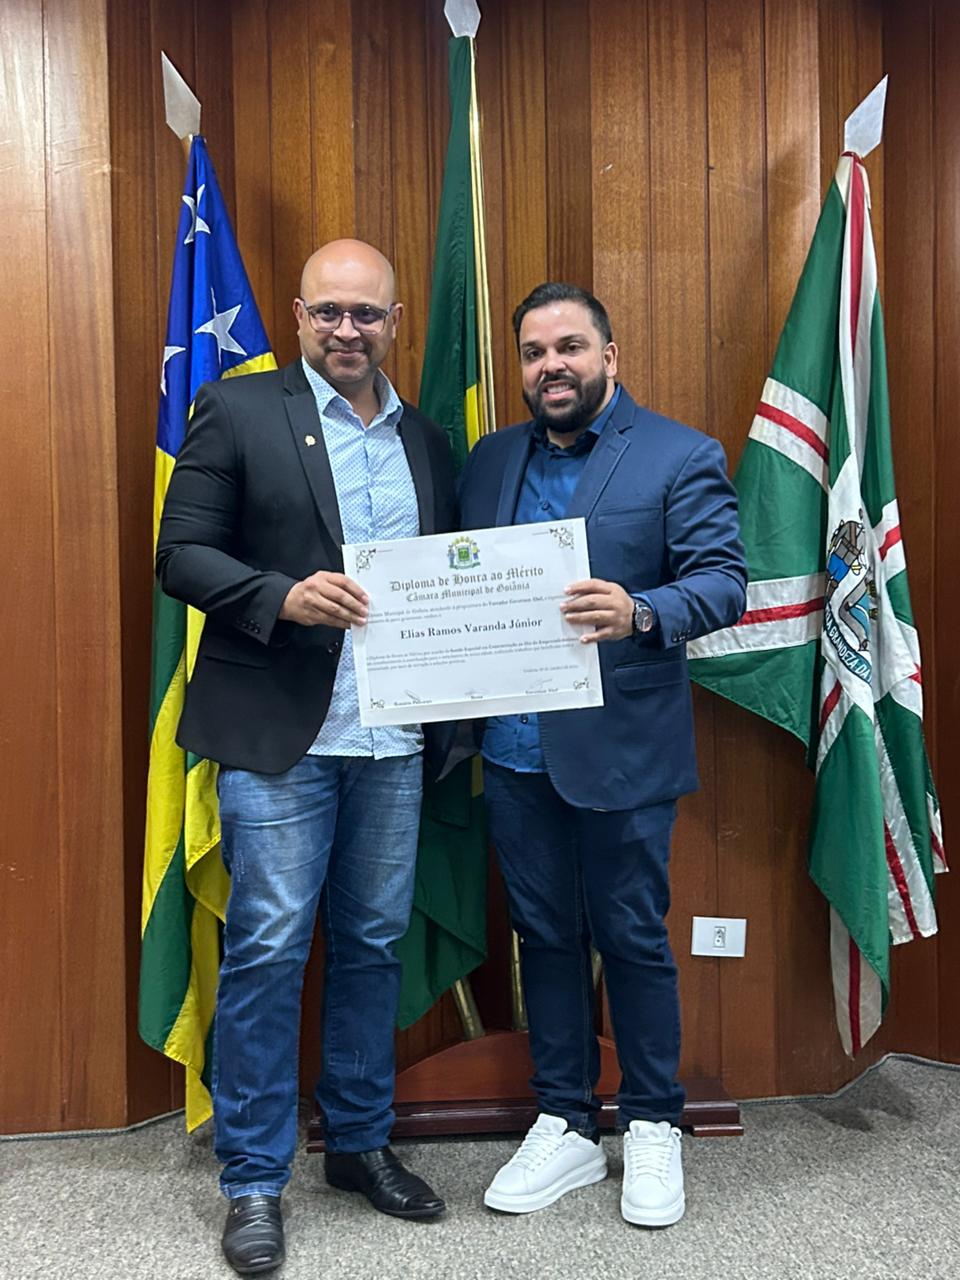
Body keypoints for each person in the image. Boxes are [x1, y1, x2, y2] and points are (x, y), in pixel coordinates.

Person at [156, 240, 455, 1276]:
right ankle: (252, 1178)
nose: (346, 329)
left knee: (372, 943)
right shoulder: (239, 411)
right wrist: (279, 596)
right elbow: (181, 552)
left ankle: (359, 1143)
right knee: (271, 949)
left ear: (396, 321)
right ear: (296, 316)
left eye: (366, 313)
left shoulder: (428, 439)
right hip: (282, 736)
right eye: (328, 311)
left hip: (395, 736)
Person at [458, 282, 746, 1227]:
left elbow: (725, 582)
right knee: (543, 936)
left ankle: (653, 1121)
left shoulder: (678, 453)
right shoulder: (489, 460)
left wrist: (642, 610)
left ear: (609, 357)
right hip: (513, 748)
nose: (553, 366)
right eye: (535, 352)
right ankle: (567, 1122)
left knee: (630, 935)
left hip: (623, 750)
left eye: (571, 347)